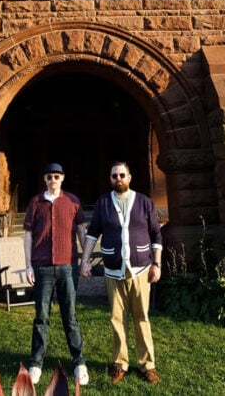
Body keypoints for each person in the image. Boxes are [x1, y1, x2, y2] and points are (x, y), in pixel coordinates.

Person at [81, 161, 163, 385]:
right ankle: (120, 363)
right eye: (114, 176)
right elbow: (92, 234)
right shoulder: (103, 204)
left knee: (142, 318)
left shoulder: (144, 202)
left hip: (140, 270)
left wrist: (156, 264)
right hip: (113, 271)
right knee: (117, 319)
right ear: (110, 179)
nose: (118, 179)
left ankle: (147, 364)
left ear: (130, 177)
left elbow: (156, 235)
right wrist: (85, 260)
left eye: (122, 175)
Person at [23, 162, 89, 387]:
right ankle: (36, 363)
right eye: (50, 177)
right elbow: (28, 236)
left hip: (68, 267)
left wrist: (86, 260)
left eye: (57, 177)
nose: (53, 180)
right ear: (45, 179)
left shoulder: (72, 201)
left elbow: (81, 230)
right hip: (42, 268)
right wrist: (28, 265)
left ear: (62, 178)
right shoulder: (35, 202)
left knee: (70, 317)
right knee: (41, 318)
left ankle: (79, 362)